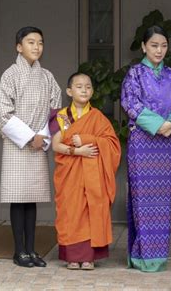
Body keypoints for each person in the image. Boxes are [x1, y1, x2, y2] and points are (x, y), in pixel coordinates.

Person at [0, 26, 62, 268]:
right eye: (30, 42)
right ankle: (19, 251)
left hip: (38, 142)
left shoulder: (47, 77)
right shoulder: (10, 75)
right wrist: (29, 136)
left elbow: (55, 110)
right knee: (17, 197)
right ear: (18, 47)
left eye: (40, 43)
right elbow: (3, 112)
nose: (36, 47)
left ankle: (32, 250)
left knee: (31, 198)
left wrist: (42, 136)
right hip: (17, 144)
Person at [121, 25, 171, 272]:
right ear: (144, 47)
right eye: (154, 45)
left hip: (166, 144)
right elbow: (130, 103)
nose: (159, 50)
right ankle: (141, 255)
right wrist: (159, 125)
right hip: (142, 144)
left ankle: (159, 256)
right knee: (142, 200)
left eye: (163, 46)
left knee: (162, 201)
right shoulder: (135, 74)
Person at [50, 72, 121, 270]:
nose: (84, 90)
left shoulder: (98, 117)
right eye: (79, 86)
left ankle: (88, 257)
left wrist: (89, 140)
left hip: (92, 177)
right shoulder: (61, 116)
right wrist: (77, 150)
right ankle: (72, 257)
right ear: (69, 91)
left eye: (88, 86)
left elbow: (112, 144)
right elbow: (56, 145)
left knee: (91, 212)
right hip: (69, 175)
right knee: (71, 211)